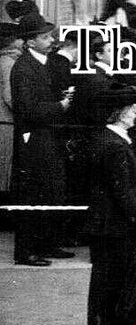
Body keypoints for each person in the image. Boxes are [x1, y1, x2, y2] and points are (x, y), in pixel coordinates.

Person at [86, 84, 136, 325]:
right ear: (119, 113)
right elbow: (124, 192)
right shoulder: (115, 146)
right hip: (118, 227)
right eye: (131, 110)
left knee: (111, 286)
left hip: (109, 226)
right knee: (122, 287)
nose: (134, 113)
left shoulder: (108, 139)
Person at [10, 13, 74, 266]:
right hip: (34, 140)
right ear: (30, 41)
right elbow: (26, 108)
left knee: (51, 192)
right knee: (32, 195)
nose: (51, 40)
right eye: (45, 37)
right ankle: (26, 251)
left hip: (48, 137)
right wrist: (60, 105)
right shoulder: (24, 68)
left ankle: (47, 243)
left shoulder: (45, 63)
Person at [0, 22, 23, 197]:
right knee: (4, 166)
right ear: (12, 41)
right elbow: (9, 96)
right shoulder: (8, 63)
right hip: (5, 121)